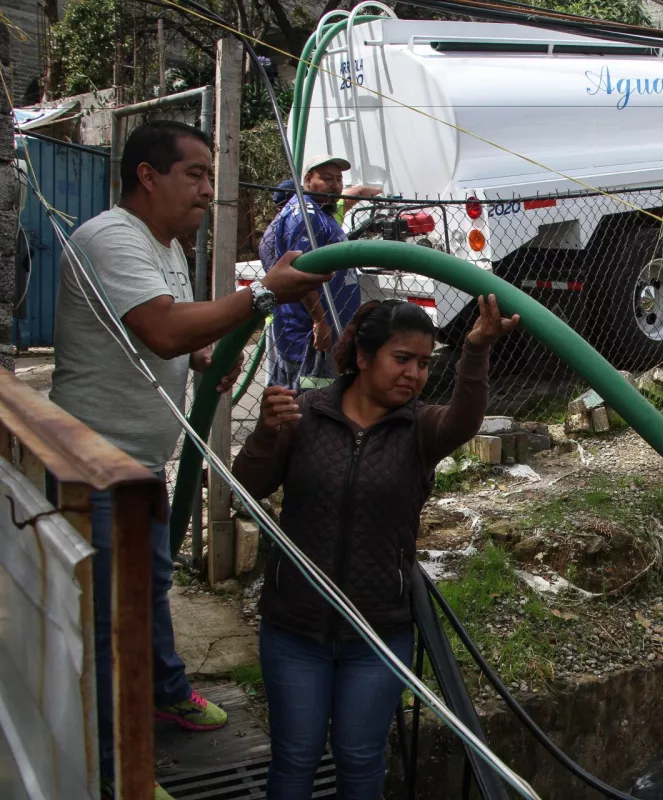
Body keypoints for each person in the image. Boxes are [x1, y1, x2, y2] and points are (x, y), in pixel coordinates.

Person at [49, 120, 331, 800]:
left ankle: (166, 692)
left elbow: (170, 330)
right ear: (148, 176)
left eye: (211, 175)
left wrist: (205, 354)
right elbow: (161, 326)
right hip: (92, 466)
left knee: (147, 588)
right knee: (107, 622)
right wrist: (264, 293)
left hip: (136, 463)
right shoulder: (113, 237)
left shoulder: (167, 247)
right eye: (196, 175)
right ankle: (119, 772)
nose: (210, 189)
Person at [232, 296, 519, 799]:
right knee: (295, 758)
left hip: (377, 632)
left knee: (362, 760)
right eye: (401, 358)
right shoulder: (305, 415)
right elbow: (248, 484)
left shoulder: (421, 430)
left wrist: (475, 350)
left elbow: (465, 420)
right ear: (363, 358)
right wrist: (264, 432)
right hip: (295, 628)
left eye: (425, 363)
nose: (414, 373)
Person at [267, 155, 379, 393]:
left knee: (322, 393)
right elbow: (301, 273)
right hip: (308, 336)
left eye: (339, 179)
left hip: (328, 327)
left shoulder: (322, 212)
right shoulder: (305, 216)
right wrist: (320, 321)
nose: (335, 185)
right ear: (308, 180)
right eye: (327, 178)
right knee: (309, 396)